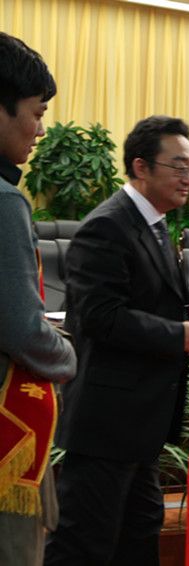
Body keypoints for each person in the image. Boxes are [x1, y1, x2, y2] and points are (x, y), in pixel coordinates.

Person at [45, 116, 189, 565]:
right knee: (83, 545)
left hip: (139, 423)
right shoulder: (107, 226)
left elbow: (153, 305)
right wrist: (176, 336)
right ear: (141, 167)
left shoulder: (154, 224)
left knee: (139, 537)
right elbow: (99, 318)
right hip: (107, 422)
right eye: (178, 166)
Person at [0, 32, 77, 566]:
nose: (41, 130)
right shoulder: (6, 203)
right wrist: (69, 354)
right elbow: (23, 329)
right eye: (37, 112)